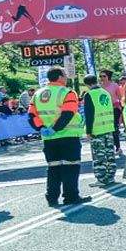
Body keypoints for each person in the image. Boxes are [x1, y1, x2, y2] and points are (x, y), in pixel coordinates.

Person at [28, 68, 91, 207]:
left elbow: (31, 116)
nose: (67, 77)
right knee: (71, 166)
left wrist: (41, 128)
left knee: (53, 167)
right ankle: (71, 196)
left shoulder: (37, 94)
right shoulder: (67, 92)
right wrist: (55, 128)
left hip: (49, 139)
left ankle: (52, 197)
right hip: (68, 136)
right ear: (60, 77)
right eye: (65, 75)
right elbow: (68, 114)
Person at [82, 75, 118, 187]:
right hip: (108, 128)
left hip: (97, 130)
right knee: (109, 154)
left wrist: (88, 131)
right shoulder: (105, 92)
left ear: (87, 85)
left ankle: (101, 178)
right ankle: (111, 176)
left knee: (99, 156)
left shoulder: (89, 95)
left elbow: (89, 114)